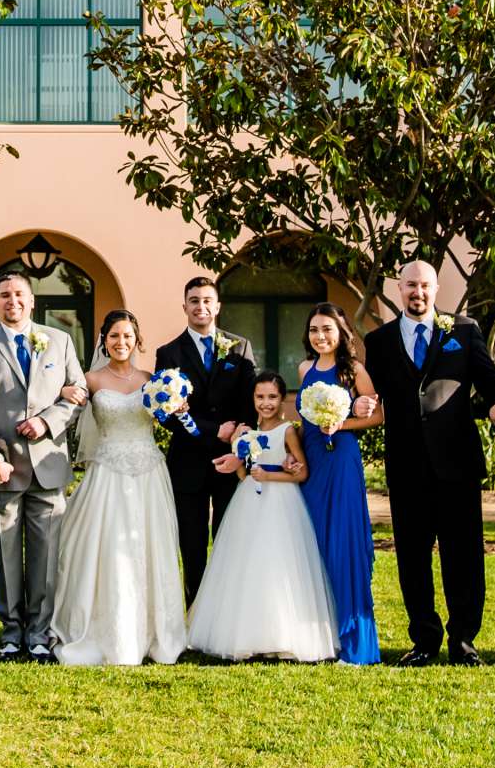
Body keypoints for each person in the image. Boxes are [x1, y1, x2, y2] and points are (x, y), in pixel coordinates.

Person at [361, 259, 495, 665]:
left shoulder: (463, 331)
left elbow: (490, 379)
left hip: (457, 461)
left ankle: (463, 640)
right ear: (399, 289)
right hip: (406, 463)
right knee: (412, 557)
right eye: (411, 285)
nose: (418, 293)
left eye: (425, 286)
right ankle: (424, 640)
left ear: (436, 289)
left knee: (463, 555)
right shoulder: (378, 341)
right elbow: (371, 395)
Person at [0, 271, 87, 661]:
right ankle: (12, 633)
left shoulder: (60, 340)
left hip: (48, 464)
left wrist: (47, 420)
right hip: (5, 467)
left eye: (18, 294)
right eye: (3, 295)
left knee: (46, 555)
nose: (11, 301)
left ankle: (40, 634)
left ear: (32, 301)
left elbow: (77, 392)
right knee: (6, 555)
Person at [49, 309, 187, 667]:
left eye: (127, 336)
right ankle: (109, 631)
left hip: (148, 472)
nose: (121, 342)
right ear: (103, 340)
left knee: (150, 548)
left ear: (137, 340)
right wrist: (63, 391)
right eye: (114, 336)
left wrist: (179, 408)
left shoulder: (153, 379)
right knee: (108, 550)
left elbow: (170, 420)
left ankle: (155, 633)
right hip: (108, 472)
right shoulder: (91, 380)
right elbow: (67, 410)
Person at [186, 372, 337, 662]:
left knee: (277, 564)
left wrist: (270, 474)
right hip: (249, 504)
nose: (266, 403)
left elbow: (302, 472)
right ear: (252, 399)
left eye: (272, 397)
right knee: (247, 565)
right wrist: (238, 460)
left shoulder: (287, 431)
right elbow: (244, 475)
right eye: (260, 397)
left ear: (282, 399)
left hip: (281, 504)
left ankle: (281, 634)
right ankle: (246, 633)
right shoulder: (247, 433)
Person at [153, 275, 256, 603]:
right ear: (184, 306)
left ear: (218, 306)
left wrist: (239, 442)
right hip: (188, 463)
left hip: (231, 462)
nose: (201, 306)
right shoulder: (168, 353)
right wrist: (214, 430)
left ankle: (226, 613)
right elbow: (166, 414)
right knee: (192, 544)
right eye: (194, 300)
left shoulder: (239, 347)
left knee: (229, 540)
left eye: (207, 300)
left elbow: (251, 404)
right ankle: (195, 614)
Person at [293, 303, 381, 665]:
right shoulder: (304, 368)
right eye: (314, 329)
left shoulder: (354, 370)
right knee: (314, 541)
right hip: (313, 460)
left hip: (341, 457)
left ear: (341, 332)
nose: (320, 336)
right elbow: (303, 420)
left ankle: (356, 641)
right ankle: (319, 636)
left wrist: (340, 424)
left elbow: (378, 415)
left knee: (342, 541)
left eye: (327, 329)